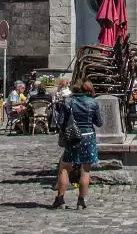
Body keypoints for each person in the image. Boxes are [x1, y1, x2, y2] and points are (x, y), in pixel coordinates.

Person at [51, 80, 103, 210]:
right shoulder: (93, 102)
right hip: (88, 136)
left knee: (64, 167)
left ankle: (60, 200)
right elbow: (99, 123)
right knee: (85, 170)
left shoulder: (67, 102)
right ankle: (81, 201)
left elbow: (62, 122)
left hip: (73, 136)